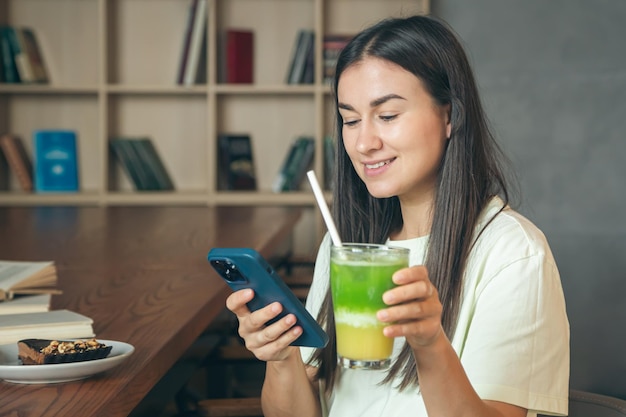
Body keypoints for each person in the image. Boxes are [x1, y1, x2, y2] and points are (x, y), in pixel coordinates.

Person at [226, 14, 569, 417]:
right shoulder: (347, 248)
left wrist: (430, 346)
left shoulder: (512, 254)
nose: (363, 142)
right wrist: (281, 359)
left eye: (387, 116)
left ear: (449, 116)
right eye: (350, 120)